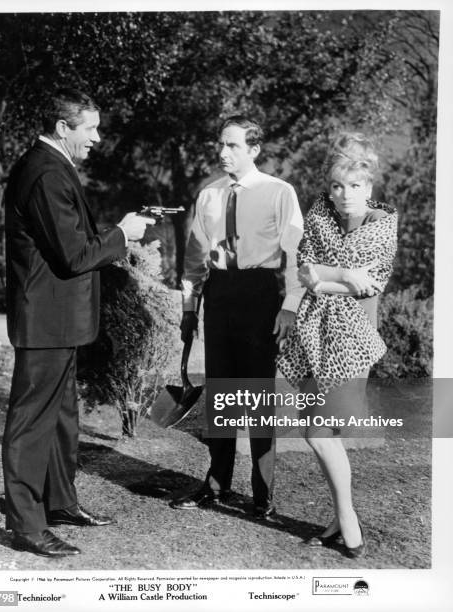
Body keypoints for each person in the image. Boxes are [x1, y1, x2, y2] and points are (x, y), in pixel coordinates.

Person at [3, 88, 154, 557]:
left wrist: (114, 232)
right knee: (32, 422)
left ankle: (60, 502)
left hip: (60, 320)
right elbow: (73, 257)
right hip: (46, 320)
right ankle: (28, 526)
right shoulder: (45, 171)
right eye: (90, 128)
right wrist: (122, 235)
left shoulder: (52, 166)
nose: (97, 137)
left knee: (63, 417)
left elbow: (69, 238)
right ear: (63, 128)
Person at [170, 116, 304, 517]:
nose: (223, 152)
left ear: (254, 149)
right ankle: (216, 485)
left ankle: (263, 496)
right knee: (222, 393)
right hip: (220, 294)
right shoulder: (209, 195)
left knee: (259, 397)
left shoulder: (279, 192)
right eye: (221, 144)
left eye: (233, 146)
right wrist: (190, 309)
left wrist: (289, 306)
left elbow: (296, 255)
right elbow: (194, 258)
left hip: (260, 293)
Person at [277, 132, 398, 558]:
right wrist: (343, 274)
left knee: (318, 431)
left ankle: (348, 522)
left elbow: (369, 287)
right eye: (337, 185)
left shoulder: (383, 228)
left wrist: (332, 278)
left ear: (370, 187)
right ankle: (339, 517)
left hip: (353, 340)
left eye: (355, 186)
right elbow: (307, 271)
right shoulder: (319, 214)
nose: (345, 195)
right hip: (315, 335)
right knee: (319, 430)